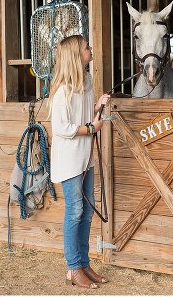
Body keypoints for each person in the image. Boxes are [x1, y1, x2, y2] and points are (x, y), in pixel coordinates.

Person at [48, 35, 111, 289]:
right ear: (77, 55)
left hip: (86, 159)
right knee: (75, 212)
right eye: (87, 47)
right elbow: (62, 128)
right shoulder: (62, 91)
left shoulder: (86, 83)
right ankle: (73, 268)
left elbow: (87, 118)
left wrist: (97, 107)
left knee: (87, 213)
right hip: (70, 161)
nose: (91, 49)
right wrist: (91, 127)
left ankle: (84, 264)